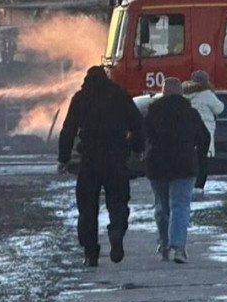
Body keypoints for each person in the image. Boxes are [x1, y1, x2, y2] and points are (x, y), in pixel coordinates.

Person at [58, 66, 145, 267]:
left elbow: (68, 129)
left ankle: (90, 253)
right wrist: (137, 149)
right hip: (116, 159)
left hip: (90, 160)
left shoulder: (80, 98)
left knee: (87, 208)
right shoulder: (119, 95)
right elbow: (137, 124)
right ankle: (116, 231)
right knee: (118, 201)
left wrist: (64, 158)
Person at [144, 77, 210, 264]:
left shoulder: (153, 112)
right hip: (184, 165)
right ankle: (179, 248)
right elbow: (204, 138)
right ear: (182, 93)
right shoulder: (191, 113)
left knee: (162, 207)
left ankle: (164, 243)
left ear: (163, 92)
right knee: (180, 206)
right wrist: (197, 153)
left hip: (157, 166)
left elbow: (144, 136)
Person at [183, 70, 224, 196]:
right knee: (202, 161)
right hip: (204, 130)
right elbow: (219, 108)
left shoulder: (184, 93)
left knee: (188, 160)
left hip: (187, 131)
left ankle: (187, 185)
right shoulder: (206, 94)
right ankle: (198, 187)